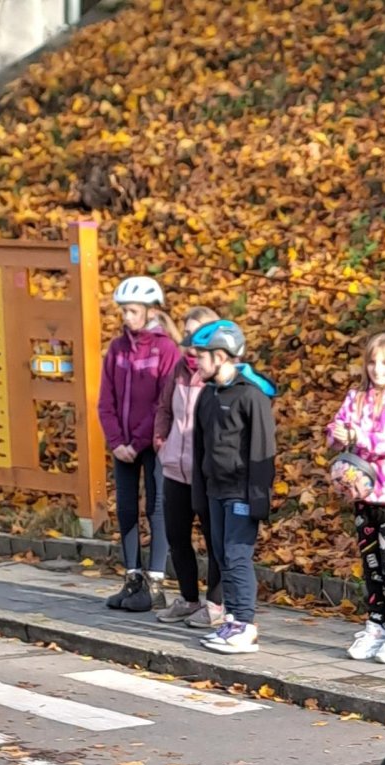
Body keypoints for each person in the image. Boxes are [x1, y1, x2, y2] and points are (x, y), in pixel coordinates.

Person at [326, 330, 385, 666]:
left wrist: (361, 436)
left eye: (384, 363)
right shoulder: (356, 397)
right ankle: (376, 624)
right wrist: (338, 435)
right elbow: (337, 430)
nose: (377, 369)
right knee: (371, 566)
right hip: (362, 493)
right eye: (372, 362)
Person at [188, 320, 276, 655]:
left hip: (241, 492)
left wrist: (259, 499)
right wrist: (199, 493)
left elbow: (263, 450)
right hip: (215, 490)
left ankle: (246, 627)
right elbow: (199, 448)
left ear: (221, 356)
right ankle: (232, 620)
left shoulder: (251, 396)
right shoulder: (207, 395)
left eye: (202, 356)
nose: (197, 362)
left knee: (238, 556)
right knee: (222, 556)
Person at [97, 275, 181, 612]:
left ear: (150, 311)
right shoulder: (117, 349)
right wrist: (117, 441)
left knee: (157, 508)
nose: (126, 316)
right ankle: (132, 578)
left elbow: (164, 401)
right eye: (124, 311)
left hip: (153, 443)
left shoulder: (166, 349)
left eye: (132, 310)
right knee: (126, 509)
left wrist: (137, 441)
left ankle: (156, 583)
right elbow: (105, 400)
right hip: (123, 446)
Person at [153, 305, 225, 629]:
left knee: (214, 539)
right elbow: (164, 408)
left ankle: (215, 605)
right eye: (187, 334)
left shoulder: (217, 377)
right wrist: (161, 440)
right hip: (175, 468)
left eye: (199, 335)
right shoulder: (179, 370)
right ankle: (188, 598)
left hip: (205, 473)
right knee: (177, 535)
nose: (192, 343)